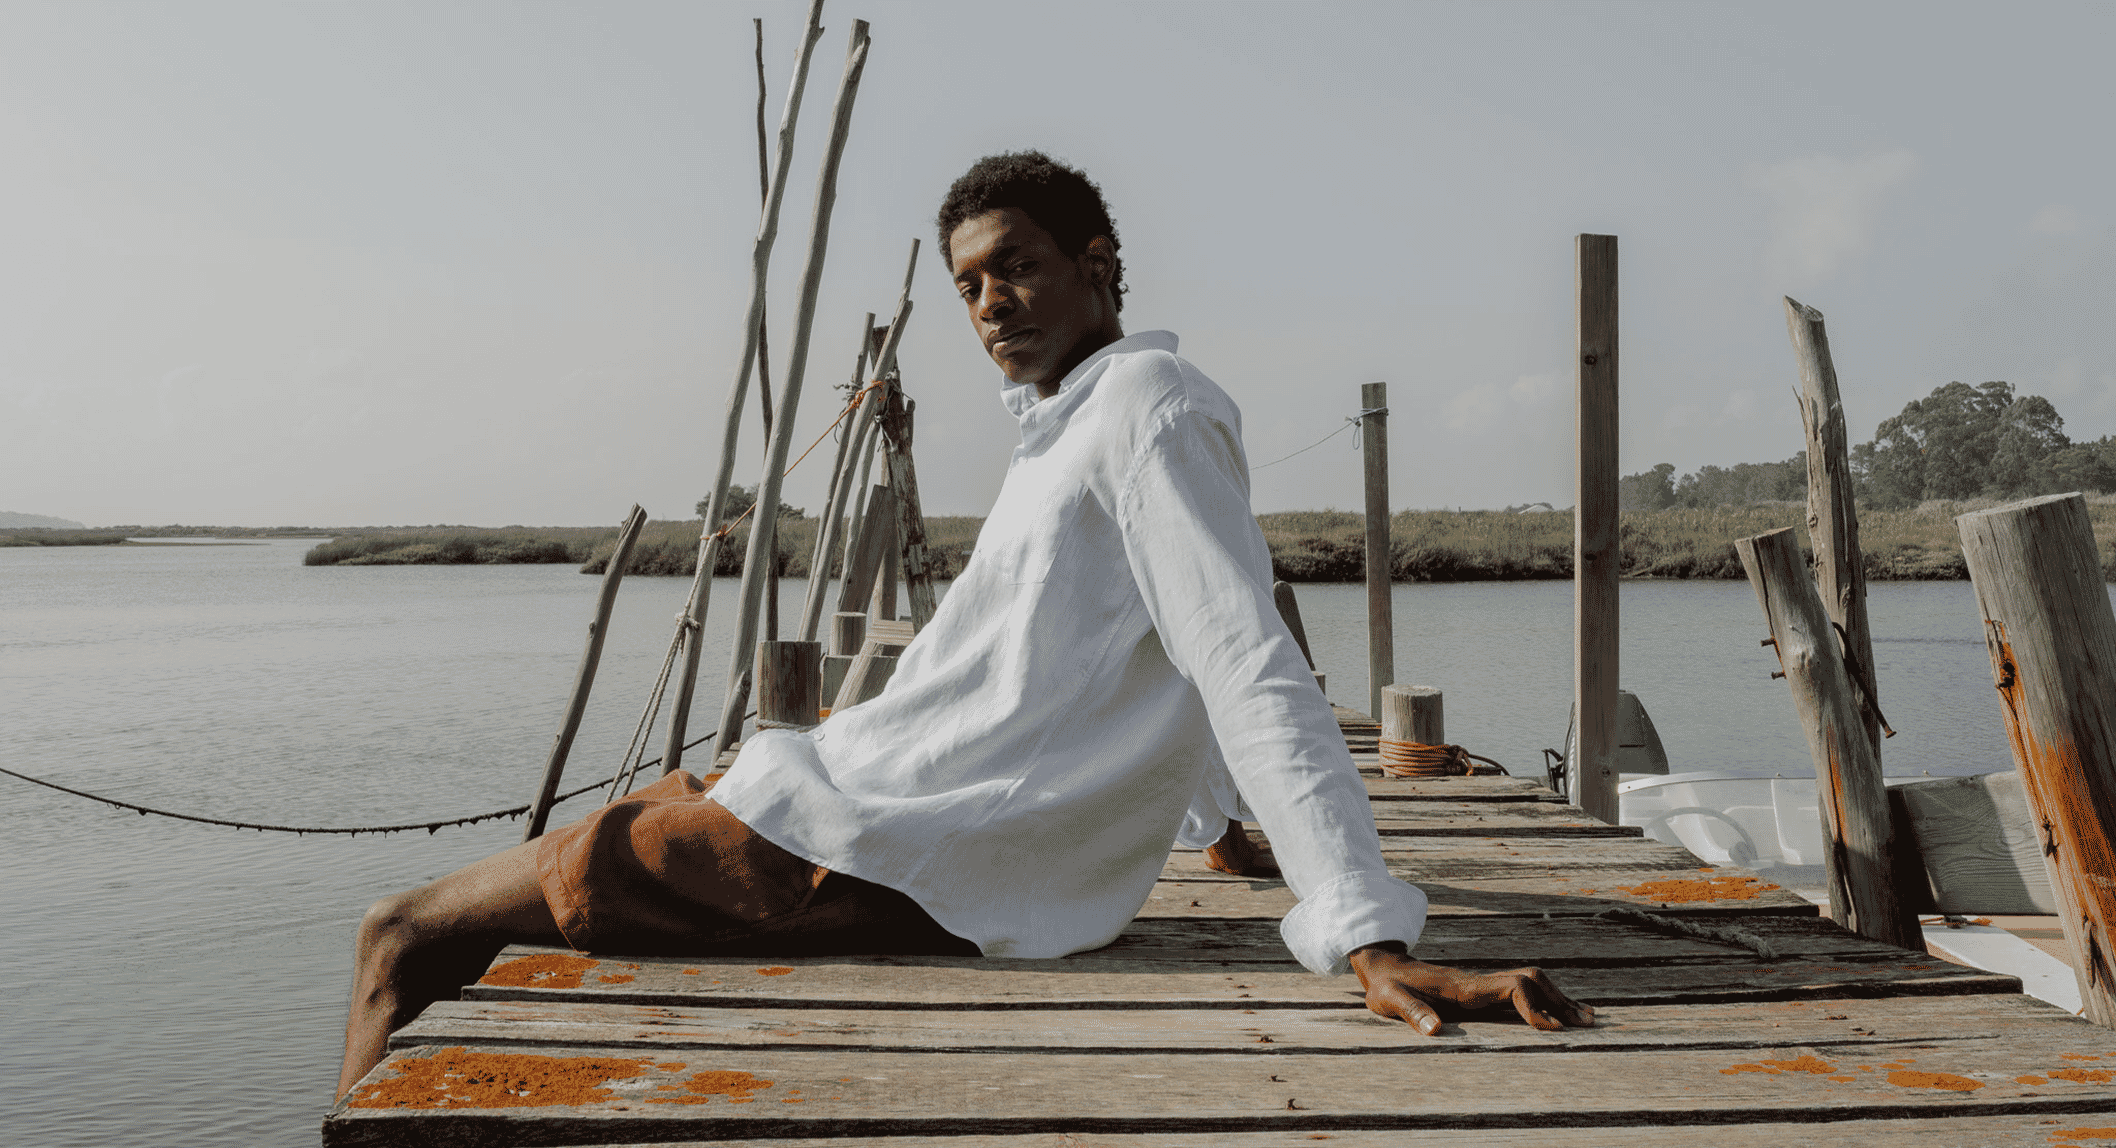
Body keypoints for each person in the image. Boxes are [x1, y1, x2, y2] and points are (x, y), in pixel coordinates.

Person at [335, 150, 1590, 1100]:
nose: (992, 302)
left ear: (1100, 261)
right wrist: (1223, 825)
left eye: (1021, 266)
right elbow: (1144, 651)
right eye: (971, 284)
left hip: (892, 852)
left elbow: (1240, 653)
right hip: (843, 798)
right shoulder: (1078, 421)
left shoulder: (1145, 403)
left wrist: (1361, 926)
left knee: (399, 932)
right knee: (473, 902)